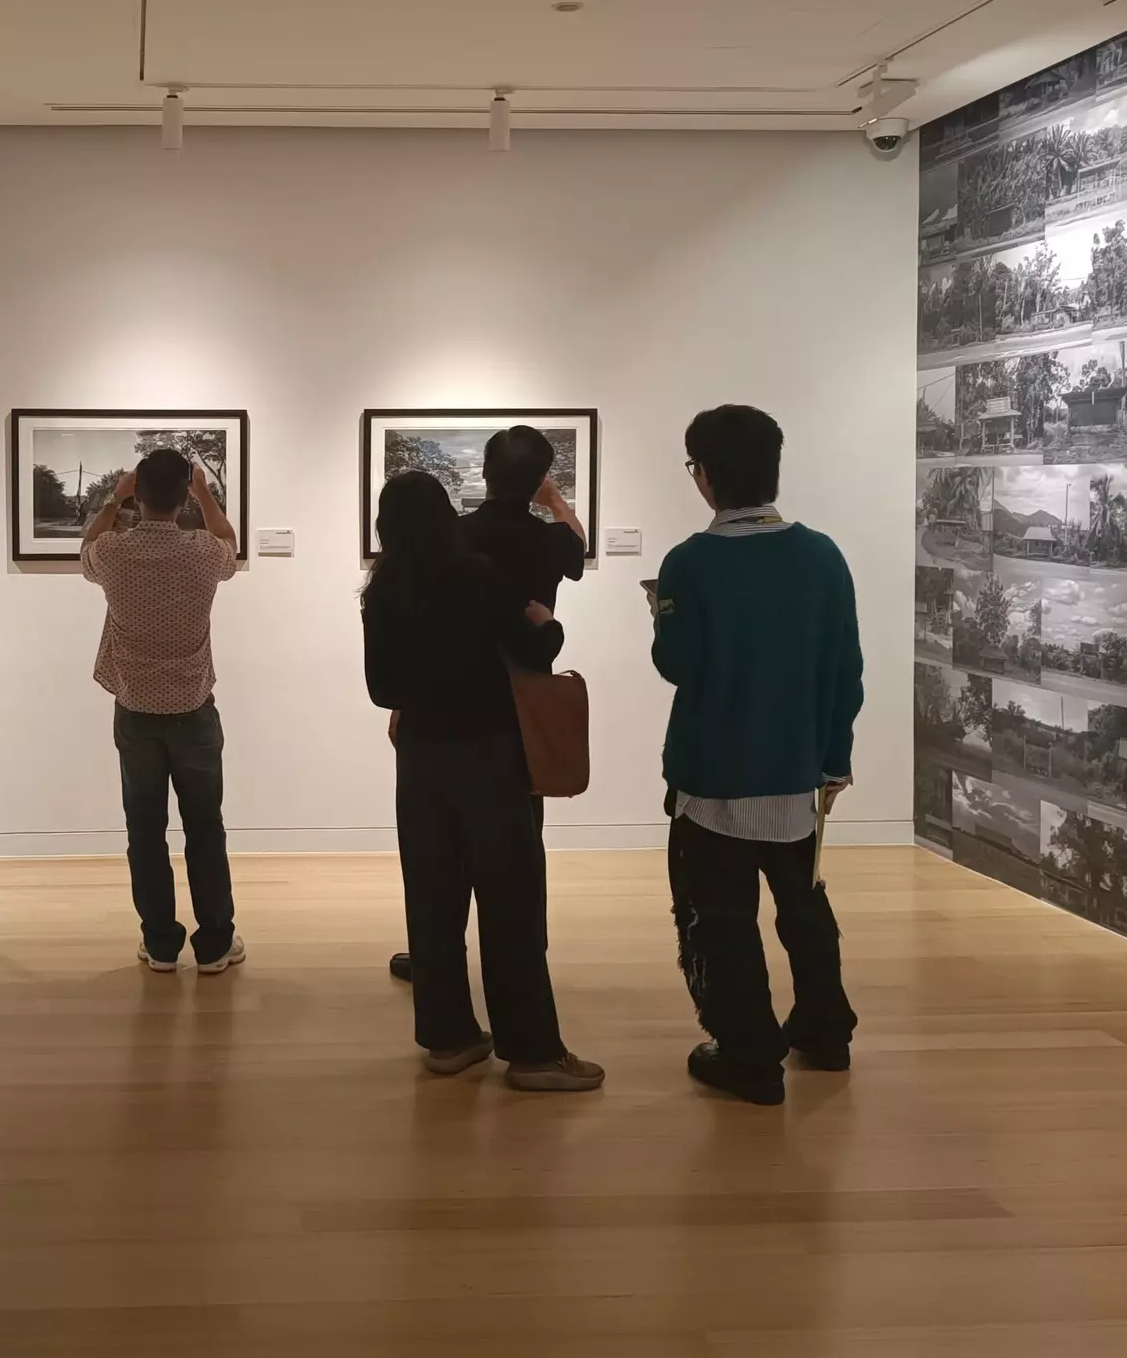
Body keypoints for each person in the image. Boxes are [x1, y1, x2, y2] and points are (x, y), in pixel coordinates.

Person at [363, 470, 604, 1091]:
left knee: (433, 900)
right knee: (510, 902)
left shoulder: (382, 590)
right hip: (492, 754)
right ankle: (533, 1054)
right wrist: (547, 623)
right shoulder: (477, 576)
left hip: (421, 757)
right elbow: (535, 652)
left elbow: (382, 690)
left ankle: (448, 1040)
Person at [650, 404, 863, 1106]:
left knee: (723, 918)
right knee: (804, 907)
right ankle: (826, 1032)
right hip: (798, 770)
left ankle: (748, 1054)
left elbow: (678, 665)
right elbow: (846, 668)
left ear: (705, 475)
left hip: (714, 776)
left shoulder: (689, 562)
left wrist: (661, 618)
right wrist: (835, 760)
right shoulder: (823, 555)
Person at [389, 425, 587, 984]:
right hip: (521, 700)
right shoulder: (551, 540)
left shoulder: (453, 535)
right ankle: (525, 954)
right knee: (520, 839)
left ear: (484, 471)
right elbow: (577, 543)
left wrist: (403, 702)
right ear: (539, 478)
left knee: (442, 847)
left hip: (448, 695)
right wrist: (554, 499)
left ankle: (436, 957)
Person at [82, 449, 243, 974]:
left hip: (135, 712)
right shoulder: (203, 552)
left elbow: (85, 550)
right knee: (205, 827)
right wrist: (204, 493)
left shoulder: (113, 552)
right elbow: (230, 543)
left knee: (145, 831)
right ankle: (215, 944)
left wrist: (114, 499)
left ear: (138, 491)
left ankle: (160, 945)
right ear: (183, 495)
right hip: (193, 710)